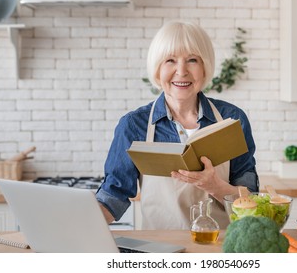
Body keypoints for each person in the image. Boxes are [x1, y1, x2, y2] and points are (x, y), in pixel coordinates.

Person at [96, 21, 259, 230]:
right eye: (170, 60)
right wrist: (76, 226)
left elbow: (250, 200)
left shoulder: (232, 120)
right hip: (159, 253)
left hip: (220, 249)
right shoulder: (135, 125)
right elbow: (113, 196)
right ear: (157, 68)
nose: (181, 71)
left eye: (192, 60)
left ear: (205, 66)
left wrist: (215, 186)